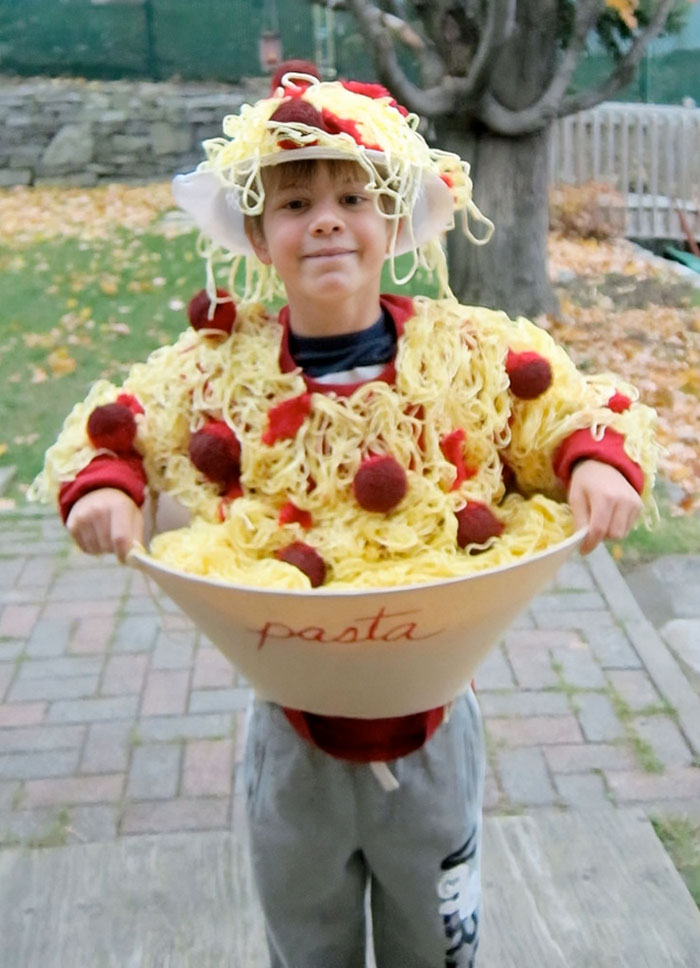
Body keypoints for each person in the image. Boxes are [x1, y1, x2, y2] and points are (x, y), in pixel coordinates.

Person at [31, 63, 657, 967]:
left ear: (395, 220)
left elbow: (566, 406)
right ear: (258, 236)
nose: (325, 218)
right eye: (294, 204)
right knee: (306, 940)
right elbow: (119, 426)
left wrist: (595, 464)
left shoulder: (468, 350)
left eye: (352, 195)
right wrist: (102, 487)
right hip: (290, 736)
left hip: (438, 727)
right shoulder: (215, 369)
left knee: (436, 946)